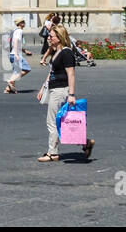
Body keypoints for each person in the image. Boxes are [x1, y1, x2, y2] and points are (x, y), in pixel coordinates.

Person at [38, 26, 94, 162]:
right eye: (49, 36)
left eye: (51, 36)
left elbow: (71, 74)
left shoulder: (66, 53)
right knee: (63, 122)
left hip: (60, 90)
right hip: (53, 88)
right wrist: (42, 88)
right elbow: (52, 72)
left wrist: (71, 94)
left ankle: (53, 153)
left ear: (60, 37)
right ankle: (85, 143)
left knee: (51, 122)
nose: (49, 39)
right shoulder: (56, 52)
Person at [4, 18, 31, 94]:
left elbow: (15, 44)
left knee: (16, 72)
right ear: (20, 24)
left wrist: (24, 51)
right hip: (15, 54)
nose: (24, 23)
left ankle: (7, 89)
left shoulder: (15, 31)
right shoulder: (19, 31)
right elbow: (15, 41)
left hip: (12, 54)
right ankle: (11, 80)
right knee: (27, 69)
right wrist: (16, 54)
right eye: (23, 22)